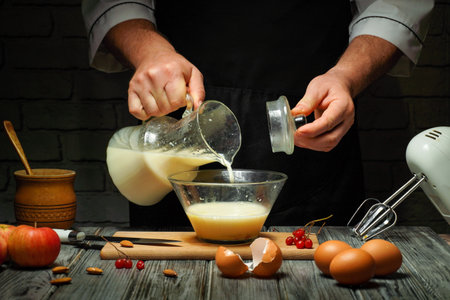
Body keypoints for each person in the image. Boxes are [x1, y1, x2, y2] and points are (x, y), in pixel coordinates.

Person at [82, 1, 434, 227]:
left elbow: (395, 5)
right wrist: (150, 53)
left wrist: (344, 77)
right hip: (178, 109)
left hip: (306, 116)